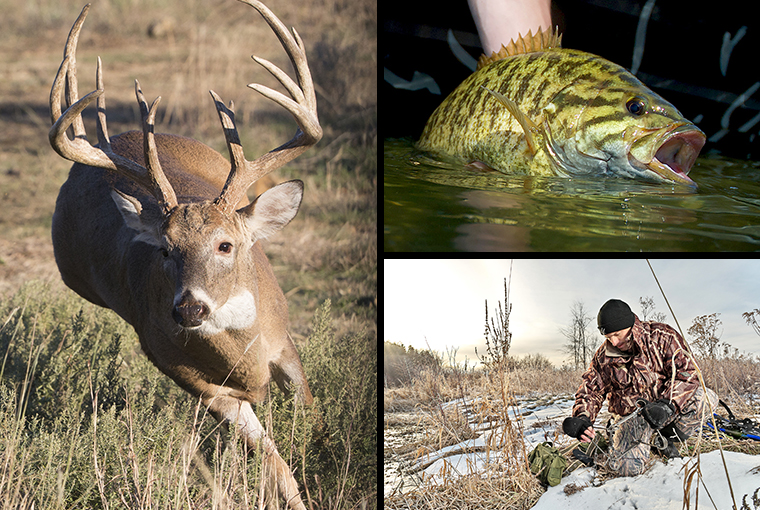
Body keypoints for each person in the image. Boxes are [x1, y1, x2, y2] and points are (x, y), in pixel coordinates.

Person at [563, 299, 719, 476]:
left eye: (617, 334)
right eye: (608, 337)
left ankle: (665, 440)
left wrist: (668, 404)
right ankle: (623, 438)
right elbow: (591, 389)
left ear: (630, 325)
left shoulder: (662, 336)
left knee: (706, 398)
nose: (613, 342)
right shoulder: (603, 356)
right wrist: (582, 417)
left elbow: (688, 373)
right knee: (627, 469)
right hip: (632, 418)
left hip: (666, 410)